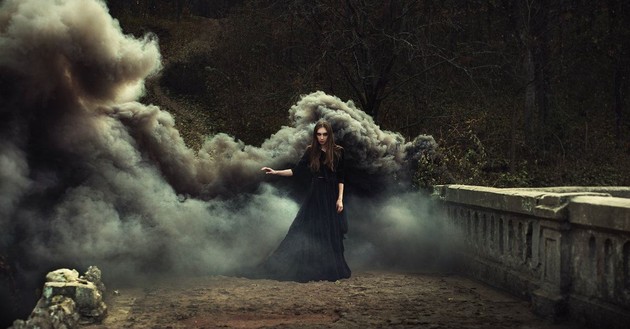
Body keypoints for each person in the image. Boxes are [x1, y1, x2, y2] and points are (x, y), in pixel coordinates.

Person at [259, 120, 351, 282]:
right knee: (308, 230)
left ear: (329, 135)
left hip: (331, 195)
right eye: (318, 134)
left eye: (324, 134)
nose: (321, 137)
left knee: (330, 232)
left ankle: (329, 267)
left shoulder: (338, 152)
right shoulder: (311, 151)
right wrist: (275, 172)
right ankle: (312, 267)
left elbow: (341, 177)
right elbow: (296, 171)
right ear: (315, 135)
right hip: (316, 194)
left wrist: (340, 199)